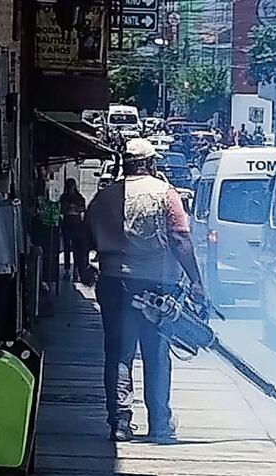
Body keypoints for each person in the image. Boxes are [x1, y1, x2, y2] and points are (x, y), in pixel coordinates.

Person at [85, 139, 205, 443]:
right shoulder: (166, 194)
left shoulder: (105, 196)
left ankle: (120, 423)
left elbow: (84, 231)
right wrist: (196, 280)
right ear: (151, 163)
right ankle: (160, 424)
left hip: (114, 283)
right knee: (156, 353)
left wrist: (83, 265)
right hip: (156, 285)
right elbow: (179, 238)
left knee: (119, 353)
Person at [60, 178, 89, 282]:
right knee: (67, 247)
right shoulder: (64, 198)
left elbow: (83, 208)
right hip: (67, 223)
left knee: (76, 248)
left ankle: (76, 269)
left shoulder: (79, 197)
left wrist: (76, 208)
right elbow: (61, 209)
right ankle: (67, 270)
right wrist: (68, 208)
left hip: (76, 223)